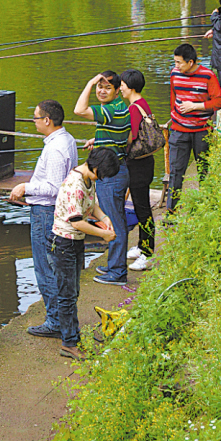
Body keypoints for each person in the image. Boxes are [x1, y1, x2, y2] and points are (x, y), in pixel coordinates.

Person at [9, 100, 78, 339]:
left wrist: (24, 187)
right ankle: (59, 317)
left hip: (46, 214)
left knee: (45, 268)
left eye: (36, 117)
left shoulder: (57, 148)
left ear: (47, 120)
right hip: (50, 212)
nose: (34, 121)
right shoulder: (65, 139)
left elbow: (54, 187)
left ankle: (55, 321)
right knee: (53, 266)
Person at [51, 148, 118, 359]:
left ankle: (73, 337)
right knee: (67, 295)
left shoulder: (89, 178)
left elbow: (92, 204)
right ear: (96, 168)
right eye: (103, 174)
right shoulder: (75, 185)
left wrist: (105, 218)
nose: (102, 179)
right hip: (64, 243)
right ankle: (69, 342)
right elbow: (77, 222)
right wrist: (102, 235)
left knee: (73, 292)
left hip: (75, 242)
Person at [74, 71, 131, 285]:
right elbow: (120, 134)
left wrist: (89, 82)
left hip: (111, 174)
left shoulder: (109, 110)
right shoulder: (118, 108)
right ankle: (114, 265)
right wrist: (97, 141)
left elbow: (79, 110)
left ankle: (117, 273)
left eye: (107, 87)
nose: (101, 90)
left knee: (114, 222)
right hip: (117, 167)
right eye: (99, 86)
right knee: (115, 219)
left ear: (117, 90)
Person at [167, 43, 221, 213]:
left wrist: (195, 106)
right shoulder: (174, 74)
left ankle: (207, 207)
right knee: (176, 171)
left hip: (201, 130)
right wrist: (174, 115)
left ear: (190, 62)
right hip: (179, 130)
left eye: (179, 62)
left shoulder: (207, 76)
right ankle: (172, 211)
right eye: (175, 62)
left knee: (204, 169)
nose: (176, 66)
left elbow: (218, 102)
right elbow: (173, 96)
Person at [119, 69, 155, 271]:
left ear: (131, 86)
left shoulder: (134, 108)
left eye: (122, 84)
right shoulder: (142, 104)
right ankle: (142, 246)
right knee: (142, 207)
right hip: (145, 163)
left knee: (143, 209)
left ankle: (148, 253)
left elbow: (130, 137)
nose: (120, 87)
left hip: (139, 166)